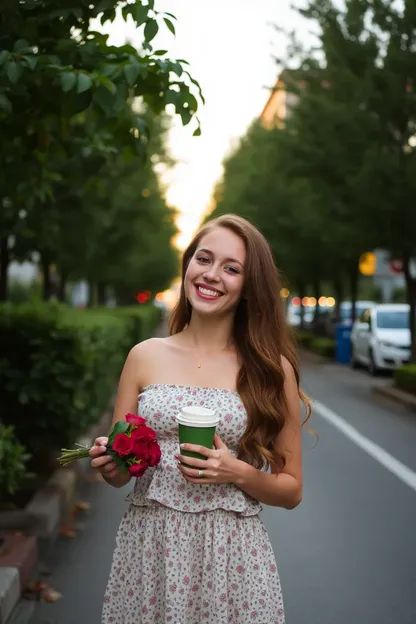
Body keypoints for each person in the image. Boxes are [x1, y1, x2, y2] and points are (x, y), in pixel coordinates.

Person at [90, 213, 311, 624]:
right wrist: (110, 463)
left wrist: (236, 472)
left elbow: (292, 489)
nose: (212, 275)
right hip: (150, 548)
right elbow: (121, 474)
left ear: (248, 287)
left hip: (233, 555)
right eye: (204, 259)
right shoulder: (144, 355)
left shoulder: (270, 369)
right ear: (187, 264)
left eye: (231, 269)